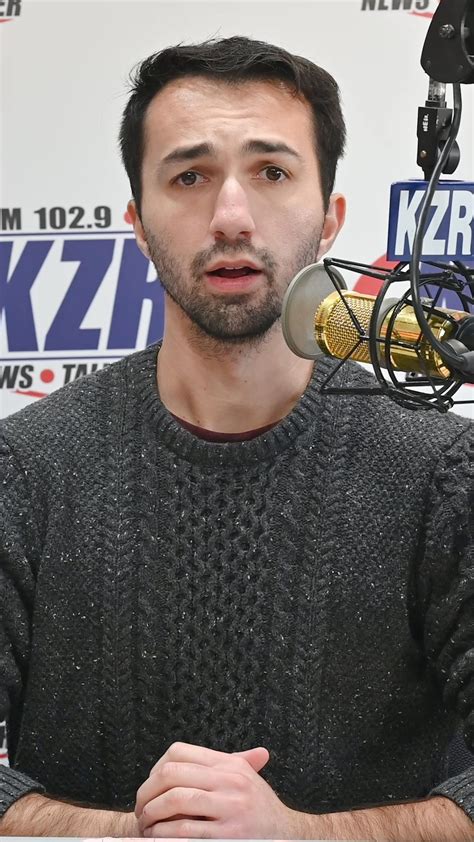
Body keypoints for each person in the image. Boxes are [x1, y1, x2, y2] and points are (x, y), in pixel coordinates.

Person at [0, 35, 472, 840]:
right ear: (138, 225)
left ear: (330, 220)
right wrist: (133, 833)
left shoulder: (442, 471)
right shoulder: (26, 468)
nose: (230, 216)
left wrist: (303, 836)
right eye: (189, 176)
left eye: (271, 173)